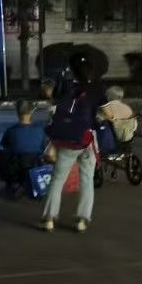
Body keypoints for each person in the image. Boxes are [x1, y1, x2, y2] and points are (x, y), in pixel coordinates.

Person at [41, 53, 103, 232]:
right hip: (88, 139)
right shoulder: (96, 89)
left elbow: (55, 110)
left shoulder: (65, 87)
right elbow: (104, 112)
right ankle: (82, 220)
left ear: (72, 70)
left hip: (68, 140)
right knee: (87, 180)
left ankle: (49, 218)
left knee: (58, 179)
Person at [0, 99, 47, 197]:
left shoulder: (11, 130)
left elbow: (5, 145)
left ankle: (10, 182)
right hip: (35, 163)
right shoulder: (40, 129)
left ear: (17, 112)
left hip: (18, 164)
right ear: (31, 112)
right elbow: (43, 146)